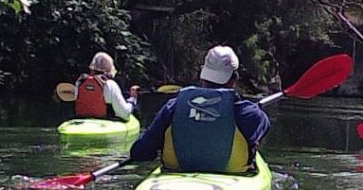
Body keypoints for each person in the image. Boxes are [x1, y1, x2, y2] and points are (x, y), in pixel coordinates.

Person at [128, 45, 269, 174]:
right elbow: (261, 131)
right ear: (234, 79)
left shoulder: (173, 107)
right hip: (231, 178)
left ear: (203, 75)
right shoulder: (250, 114)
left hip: (175, 178)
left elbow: (140, 152)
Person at [74, 51, 138, 121]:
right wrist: (132, 99)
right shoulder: (110, 84)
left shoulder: (80, 82)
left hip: (81, 122)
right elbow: (124, 113)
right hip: (104, 123)